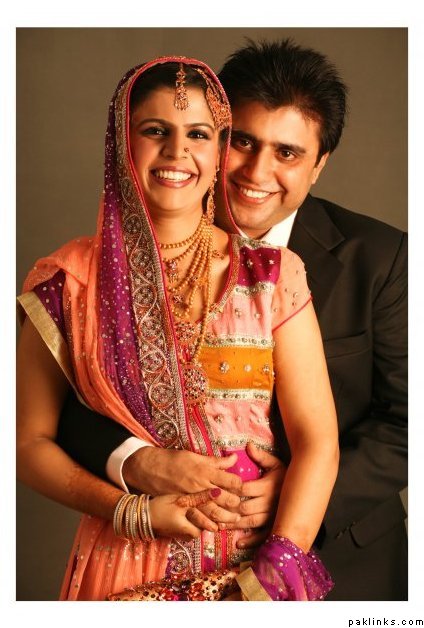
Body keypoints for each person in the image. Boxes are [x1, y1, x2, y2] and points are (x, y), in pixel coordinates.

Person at [56, 39, 408, 601]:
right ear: (215, 135)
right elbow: (73, 396)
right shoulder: (143, 243)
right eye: (242, 141)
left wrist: (295, 497)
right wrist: (136, 462)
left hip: (346, 561)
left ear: (319, 165)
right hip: (159, 556)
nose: (257, 171)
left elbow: (408, 421)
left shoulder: (382, 258)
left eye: (287, 152)